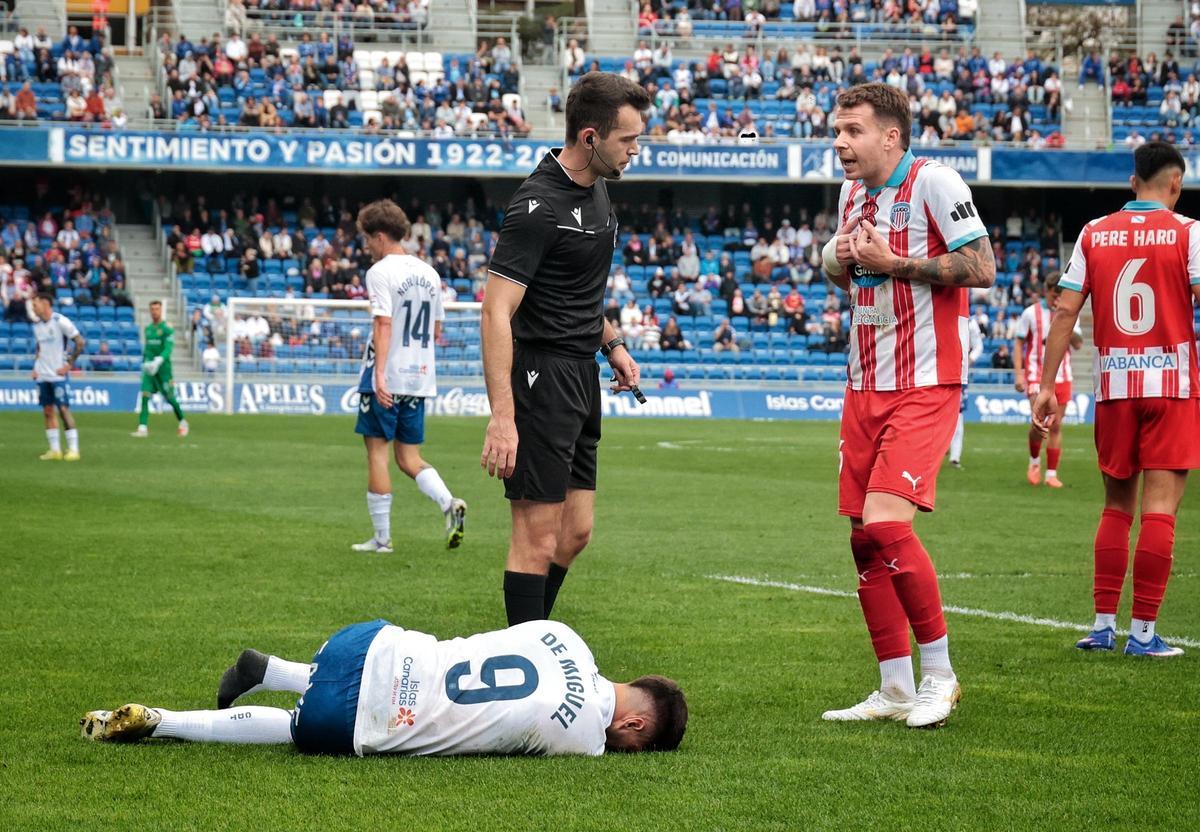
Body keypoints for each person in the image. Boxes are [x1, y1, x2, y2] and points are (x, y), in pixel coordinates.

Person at [820, 83, 994, 728]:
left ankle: (940, 677)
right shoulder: (851, 194)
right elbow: (845, 273)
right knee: (865, 541)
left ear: (890, 135)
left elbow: (982, 266)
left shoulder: (936, 182)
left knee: (889, 525)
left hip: (925, 380)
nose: (840, 141)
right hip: (864, 382)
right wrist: (835, 260)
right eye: (837, 130)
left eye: (853, 130)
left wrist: (897, 262)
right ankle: (893, 687)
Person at [481, 72, 649, 626]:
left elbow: (577, 292)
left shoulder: (599, 188)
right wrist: (502, 418)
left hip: (582, 372)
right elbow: (496, 311)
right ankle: (524, 673)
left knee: (574, 533)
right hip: (539, 377)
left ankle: (528, 649)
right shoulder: (536, 205)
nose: (635, 151)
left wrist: (614, 345)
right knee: (536, 534)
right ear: (591, 138)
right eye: (627, 140)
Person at [1033, 142, 1200, 659]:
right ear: (1175, 183)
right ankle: (1144, 634)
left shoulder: (1092, 232)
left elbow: (1064, 313)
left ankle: (1103, 625)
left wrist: (1045, 384)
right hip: (1171, 386)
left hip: (1115, 386)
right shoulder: (1190, 232)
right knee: (1161, 511)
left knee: (1116, 506)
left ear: (1133, 183)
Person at [80, 618, 687, 756]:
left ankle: (269, 671)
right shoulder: (587, 739)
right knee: (296, 730)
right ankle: (162, 718)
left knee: (404, 663)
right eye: (635, 743)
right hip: (369, 716)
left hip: (374, 641)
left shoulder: (567, 633)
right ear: (633, 723)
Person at [352, 200, 467, 553]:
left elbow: (383, 323)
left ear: (381, 236)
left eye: (368, 239)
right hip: (419, 377)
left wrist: (381, 376)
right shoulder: (429, 274)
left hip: (388, 374)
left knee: (377, 454)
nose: (366, 246)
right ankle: (450, 504)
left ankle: (382, 539)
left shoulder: (381, 272)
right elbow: (435, 331)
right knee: (409, 458)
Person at [1013, 274, 1083, 487]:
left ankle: (1051, 474)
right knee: (1039, 421)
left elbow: (1078, 344)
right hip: (1035, 373)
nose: (1056, 299)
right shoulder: (1030, 313)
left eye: (1060, 296)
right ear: (1046, 291)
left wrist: (1063, 318)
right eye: (1054, 295)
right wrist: (1018, 373)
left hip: (1063, 375)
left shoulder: (1071, 312)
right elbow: (1018, 344)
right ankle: (1034, 462)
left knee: (1056, 425)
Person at [30, 293, 85, 461]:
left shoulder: (60, 321)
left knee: (63, 410)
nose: (33, 307)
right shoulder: (37, 325)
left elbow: (80, 342)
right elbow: (39, 347)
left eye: (36, 304)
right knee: (47, 411)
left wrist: (69, 365)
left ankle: (74, 449)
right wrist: (35, 367)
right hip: (43, 375)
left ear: (45, 303)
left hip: (58, 375)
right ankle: (55, 450)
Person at [132, 300, 188, 438]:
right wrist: (146, 362)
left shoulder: (167, 328)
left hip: (163, 370)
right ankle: (142, 427)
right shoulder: (148, 329)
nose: (154, 311)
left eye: (157, 309)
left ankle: (182, 421)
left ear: (161, 310)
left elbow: (168, 347)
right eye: (152, 309)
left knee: (170, 398)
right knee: (145, 396)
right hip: (150, 370)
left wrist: (159, 360)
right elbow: (148, 349)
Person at [947, 316, 983, 469]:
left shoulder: (970, 321)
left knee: (958, 413)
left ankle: (955, 457)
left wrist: (969, 359)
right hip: (936, 370)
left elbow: (978, 346)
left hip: (959, 374)